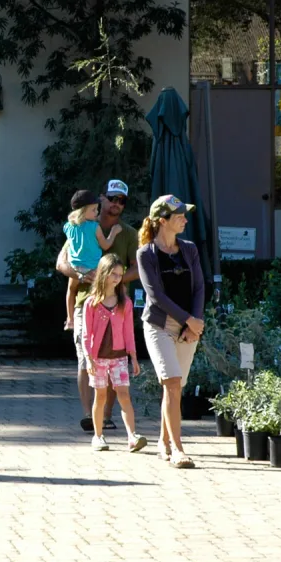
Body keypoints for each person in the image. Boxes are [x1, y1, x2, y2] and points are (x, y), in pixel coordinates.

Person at [56, 179, 138, 432]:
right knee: (85, 357)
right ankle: (87, 415)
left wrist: (112, 279)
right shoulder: (81, 226)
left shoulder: (129, 234)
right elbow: (61, 263)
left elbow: (137, 268)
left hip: (116, 304)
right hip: (84, 301)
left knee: (114, 357)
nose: (116, 204)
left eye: (121, 201)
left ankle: (106, 415)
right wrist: (81, 276)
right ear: (101, 198)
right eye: (112, 198)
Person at [136, 194, 206, 469]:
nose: (185, 220)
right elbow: (156, 296)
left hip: (190, 325)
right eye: (180, 216)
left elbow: (200, 287)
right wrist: (189, 319)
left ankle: (163, 441)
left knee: (175, 387)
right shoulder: (146, 254)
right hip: (159, 325)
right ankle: (178, 449)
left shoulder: (189, 249)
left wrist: (195, 322)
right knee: (173, 382)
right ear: (162, 221)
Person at [81, 253, 145, 452]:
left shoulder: (124, 303)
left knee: (124, 394)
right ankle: (98, 436)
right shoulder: (91, 303)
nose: (117, 278)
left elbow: (129, 332)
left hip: (119, 357)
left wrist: (133, 356)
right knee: (100, 396)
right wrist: (89, 359)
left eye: (120, 274)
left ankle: (132, 436)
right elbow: (86, 334)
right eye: (114, 274)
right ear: (104, 274)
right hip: (98, 357)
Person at [62, 189, 124, 331]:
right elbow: (106, 245)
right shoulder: (94, 227)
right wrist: (114, 232)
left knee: (71, 290)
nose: (97, 212)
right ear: (83, 211)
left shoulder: (68, 227)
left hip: (76, 268)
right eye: (94, 210)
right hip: (94, 267)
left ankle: (70, 320)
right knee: (99, 292)